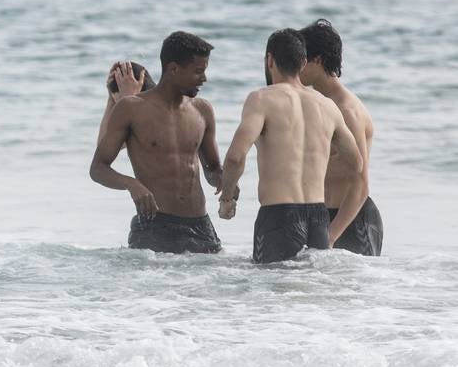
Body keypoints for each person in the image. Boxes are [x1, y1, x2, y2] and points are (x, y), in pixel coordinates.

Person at [219, 29, 362, 264]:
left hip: (278, 217)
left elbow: (235, 157)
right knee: (310, 295)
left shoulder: (261, 99)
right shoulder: (327, 106)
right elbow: (356, 164)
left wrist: (227, 198)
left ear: (270, 60)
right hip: (318, 219)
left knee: (273, 295)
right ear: (303, 62)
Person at [89, 33, 224, 254]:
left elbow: (213, 169)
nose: (204, 78)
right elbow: (98, 168)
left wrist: (225, 181)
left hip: (201, 227)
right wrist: (132, 184)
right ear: (173, 69)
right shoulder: (131, 108)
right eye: (198, 71)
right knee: (156, 289)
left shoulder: (203, 110)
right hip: (155, 228)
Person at [298, 19, 382, 255]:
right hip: (323, 218)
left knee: (352, 292)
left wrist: (331, 236)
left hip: (353, 221)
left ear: (318, 60)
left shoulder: (347, 109)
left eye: (302, 60)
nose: (297, 67)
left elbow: (361, 182)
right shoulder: (317, 105)